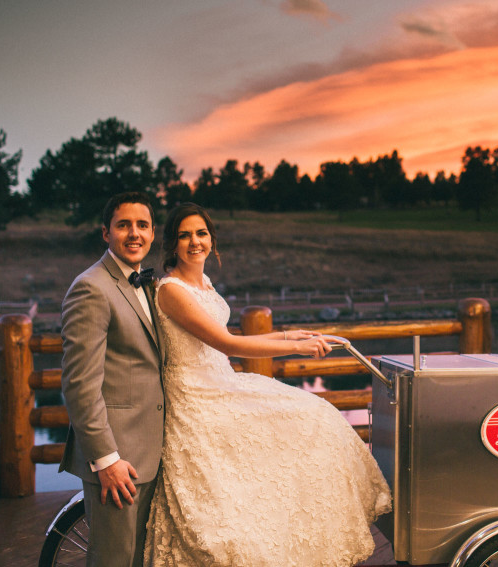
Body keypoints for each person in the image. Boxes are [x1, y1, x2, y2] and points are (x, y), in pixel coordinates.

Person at [144, 203, 392, 567]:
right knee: (308, 419)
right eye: (184, 235)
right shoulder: (172, 290)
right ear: (171, 244)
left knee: (316, 415)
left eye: (201, 233)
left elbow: (225, 335)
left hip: (219, 381)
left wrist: (290, 331)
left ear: (212, 240)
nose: (194, 241)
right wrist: (296, 347)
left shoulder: (204, 284)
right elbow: (228, 345)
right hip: (197, 393)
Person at [59, 192, 164, 567]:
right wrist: (106, 460)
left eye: (142, 225)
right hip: (118, 459)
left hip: (152, 453)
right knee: (113, 561)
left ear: (152, 234)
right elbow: (79, 385)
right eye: (124, 225)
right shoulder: (91, 287)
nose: (133, 233)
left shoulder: (148, 286)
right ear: (106, 233)